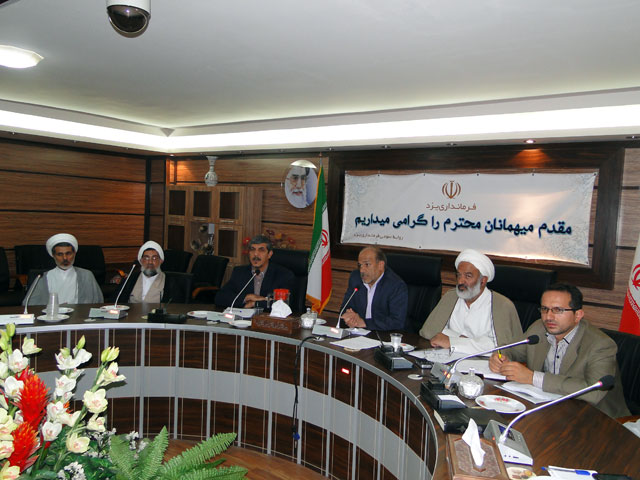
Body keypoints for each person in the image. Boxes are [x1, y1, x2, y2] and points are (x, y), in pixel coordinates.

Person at [489, 283, 630, 418]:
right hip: (550, 408)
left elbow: (594, 392)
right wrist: (500, 357)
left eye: (558, 310)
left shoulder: (600, 345)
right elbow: (511, 350)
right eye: (544, 309)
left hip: (597, 417)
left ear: (578, 315)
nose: (548, 317)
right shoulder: (539, 328)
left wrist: (533, 378)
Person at [419, 249, 522, 353]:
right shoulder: (451, 297)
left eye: (468, 276)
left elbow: (498, 347)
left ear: (483, 281)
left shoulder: (502, 305)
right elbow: (431, 331)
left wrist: (453, 342)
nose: (460, 281)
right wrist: (462, 338)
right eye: (459, 275)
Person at [215, 235, 294, 308]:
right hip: (243, 317)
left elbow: (284, 304)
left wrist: (254, 303)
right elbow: (220, 298)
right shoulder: (239, 272)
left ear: (269, 254)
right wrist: (247, 297)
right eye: (252, 250)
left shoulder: (283, 274)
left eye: (261, 250)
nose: (256, 254)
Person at [340, 246, 408, 331]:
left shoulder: (396, 285)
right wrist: (349, 317)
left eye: (367, 264)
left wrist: (364, 322)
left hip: (385, 334)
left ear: (380, 265)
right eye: (360, 265)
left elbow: (397, 322)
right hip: (359, 332)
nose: (362, 270)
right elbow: (345, 307)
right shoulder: (356, 278)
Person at [24, 233, 103, 305]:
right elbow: (29, 304)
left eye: (68, 253)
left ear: (74, 254)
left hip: (79, 315)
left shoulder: (86, 275)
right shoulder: (42, 278)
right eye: (60, 254)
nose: (65, 258)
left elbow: (97, 303)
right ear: (53, 256)